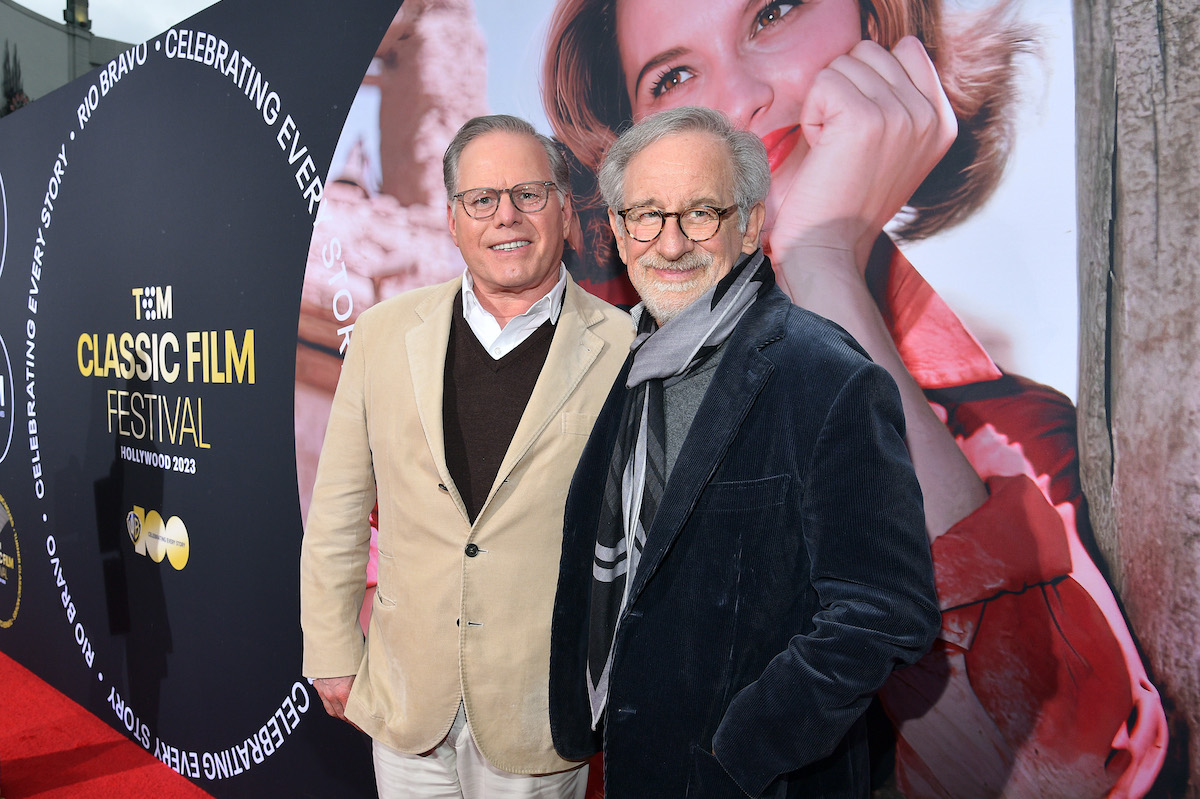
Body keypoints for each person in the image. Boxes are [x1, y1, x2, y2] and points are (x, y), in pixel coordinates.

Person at [542, 2, 1168, 796]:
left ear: (876, 23)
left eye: (772, 13)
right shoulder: (559, 381)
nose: (741, 100)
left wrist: (823, 261)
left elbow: (1047, 777)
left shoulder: (1016, 440)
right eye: (673, 77)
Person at [549, 105, 941, 798]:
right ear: (617, 229)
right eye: (646, 215)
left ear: (751, 224)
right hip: (626, 765)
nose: (671, 244)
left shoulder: (827, 376)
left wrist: (741, 750)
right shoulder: (612, 361)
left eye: (701, 213)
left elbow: (886, 608)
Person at [299, 114, 634, 798]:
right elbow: (337, 507)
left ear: (565, 211)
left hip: (540, 709)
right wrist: (331, 647)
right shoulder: (382, 334)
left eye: (529, 194)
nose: (506, 215)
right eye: (481, 199)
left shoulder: (625, 348)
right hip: (406, 697)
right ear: (453, 220)